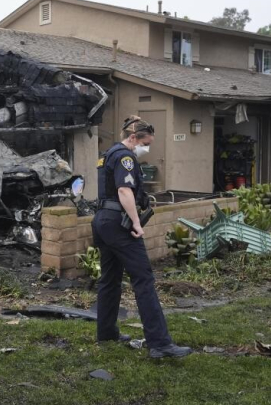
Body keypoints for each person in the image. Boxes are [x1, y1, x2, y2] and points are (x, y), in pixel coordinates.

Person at [92, 115, 192, 359]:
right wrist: (136, 223)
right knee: (143, 279)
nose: (147, 148)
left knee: (110, 278)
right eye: (146, 143)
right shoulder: (125, 157)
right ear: (133, 138)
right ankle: (160, 343)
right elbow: (124, 190)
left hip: (103, 220)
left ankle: (106, 333)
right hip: (119, 223)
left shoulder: (108, 154)